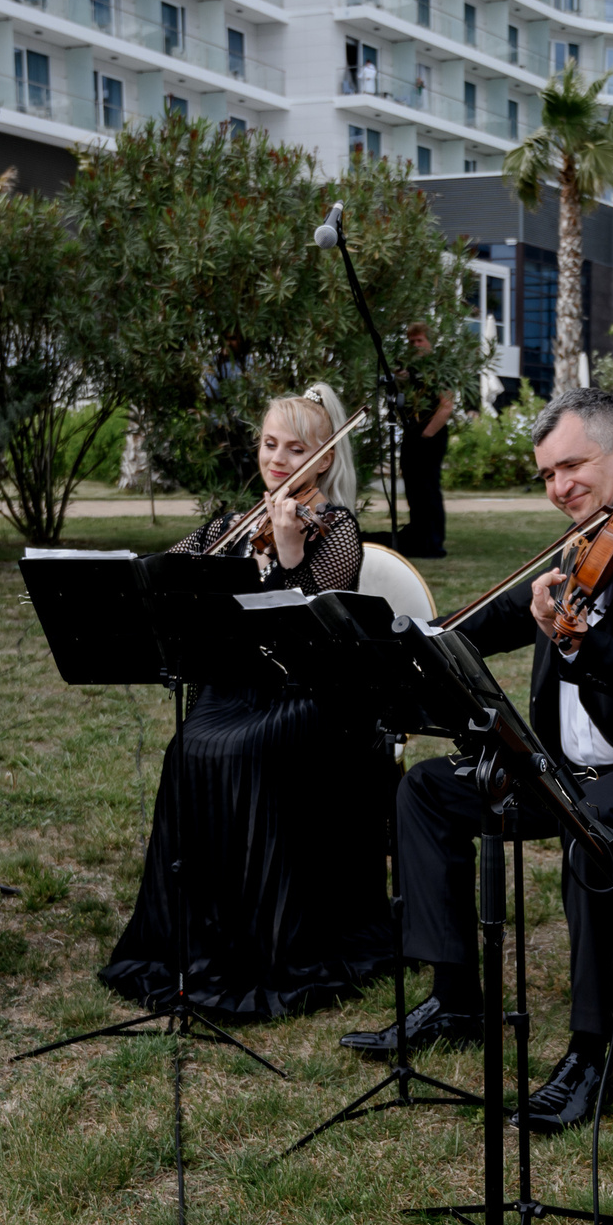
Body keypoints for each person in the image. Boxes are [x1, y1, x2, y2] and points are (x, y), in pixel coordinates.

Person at [342, 386, 613, 1132]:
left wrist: (575, 639)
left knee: (594, 824)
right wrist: (424, 644)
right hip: (578, 774)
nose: (558, 487)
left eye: (571, 466)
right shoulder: (590, 533)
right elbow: (508, 615)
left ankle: (590, 1058)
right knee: (429, 791)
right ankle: (454, 1001)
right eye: (546, 475)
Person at [100, 386, 394, 1020]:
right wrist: (154, 575)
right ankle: (199, 932)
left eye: (297, 449)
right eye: (269, 445)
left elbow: (308, 631)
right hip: (231, 688)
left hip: (309, 695)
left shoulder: (337, 527)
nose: (280, 459)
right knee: (188, 749)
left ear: (323, 460)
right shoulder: (228, 525)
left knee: (243, 752)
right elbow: (157, 575)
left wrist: (289, 552)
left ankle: (268, 936)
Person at [395, 321, 456, 558]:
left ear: (429, 342)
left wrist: (426, 434)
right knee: (413, 490)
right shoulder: (409, 368)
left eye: (420, 340)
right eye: (412, 341)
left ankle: (433, 543)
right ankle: (418, 539)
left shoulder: (439, 368)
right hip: (413, 435)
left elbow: (446, 405)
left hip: (430, 435)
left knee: (429, 489)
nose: (416, 345)